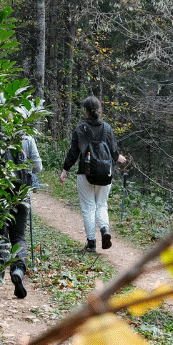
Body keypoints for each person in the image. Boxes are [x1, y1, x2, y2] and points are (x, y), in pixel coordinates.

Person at [58, 96, 126, 252]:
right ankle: (104, 230)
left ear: (85, 111)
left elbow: (74, 152)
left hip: (85, 173)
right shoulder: (107, 128)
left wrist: (65, 170)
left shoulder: (80, 129)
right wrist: (118, 158)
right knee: (102, 205)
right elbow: (114, 151)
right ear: (99, 110)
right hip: (105, 174)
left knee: (89, 208)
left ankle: (91, 243)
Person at [0, 134, 43, 298]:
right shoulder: (28, 138)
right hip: (21, 192)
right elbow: (38, 167)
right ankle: (18, 270)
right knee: (18, 236)